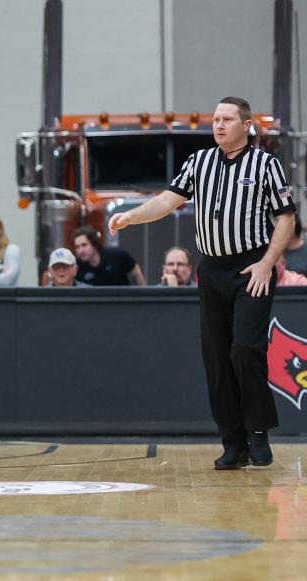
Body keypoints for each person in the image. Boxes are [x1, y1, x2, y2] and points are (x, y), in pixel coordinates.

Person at [110, 96, 296, 469]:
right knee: (216, 358)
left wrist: (266, 264)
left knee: (246, 349)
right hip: (211, 270)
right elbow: (167, 201)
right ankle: (233, 443)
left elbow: (287, 218)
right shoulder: (199, 162)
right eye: (216, 120)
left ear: (247, 125)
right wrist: (131, 216)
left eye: (227, 119)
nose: (219, 125)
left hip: (251, 268)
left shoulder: (265, 164)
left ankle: (258, 430)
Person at [71, 226, 145, 286]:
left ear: (94, 244)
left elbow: (135, 270)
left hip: (123, 298)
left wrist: (143, 293)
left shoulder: (116, 255)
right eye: (77, 247)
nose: (80, 250)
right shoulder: (77, 266)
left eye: (84, 245)